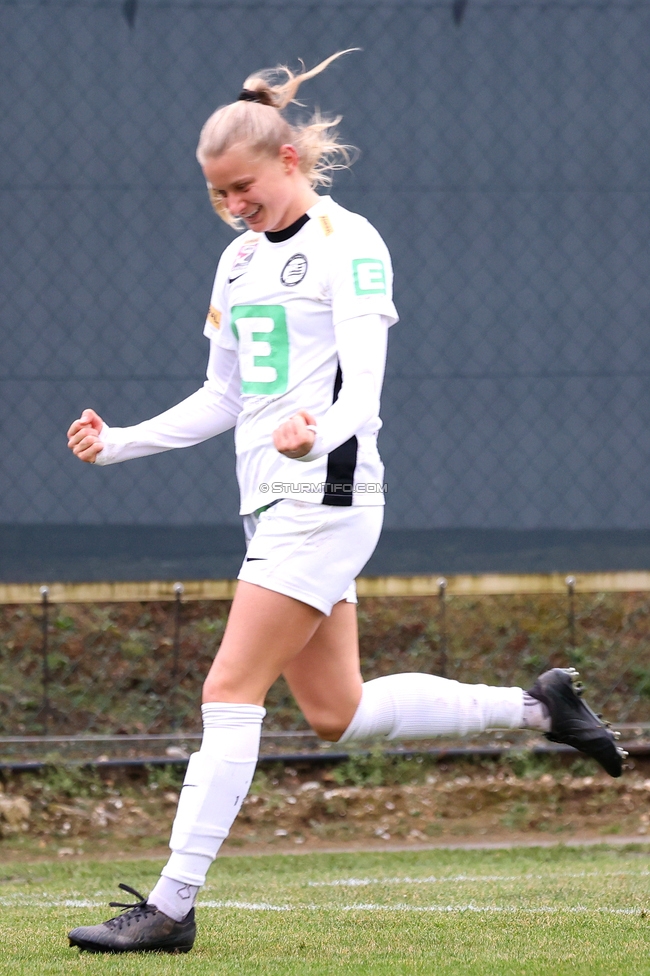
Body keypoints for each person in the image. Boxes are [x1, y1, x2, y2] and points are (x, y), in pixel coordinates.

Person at [65, 52, 626, 955]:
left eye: (242, 186)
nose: (232, 206)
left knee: (228, 689)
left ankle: (171, 906)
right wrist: (120, 439)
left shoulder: (349, 242)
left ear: (289, 159)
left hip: (323, 494)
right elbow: (223, 396)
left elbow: (363, 393)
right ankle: (539, 709)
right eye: (217, 194)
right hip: (272, 499)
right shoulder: (239, 260)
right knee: (338, 710)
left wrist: (315, 432)